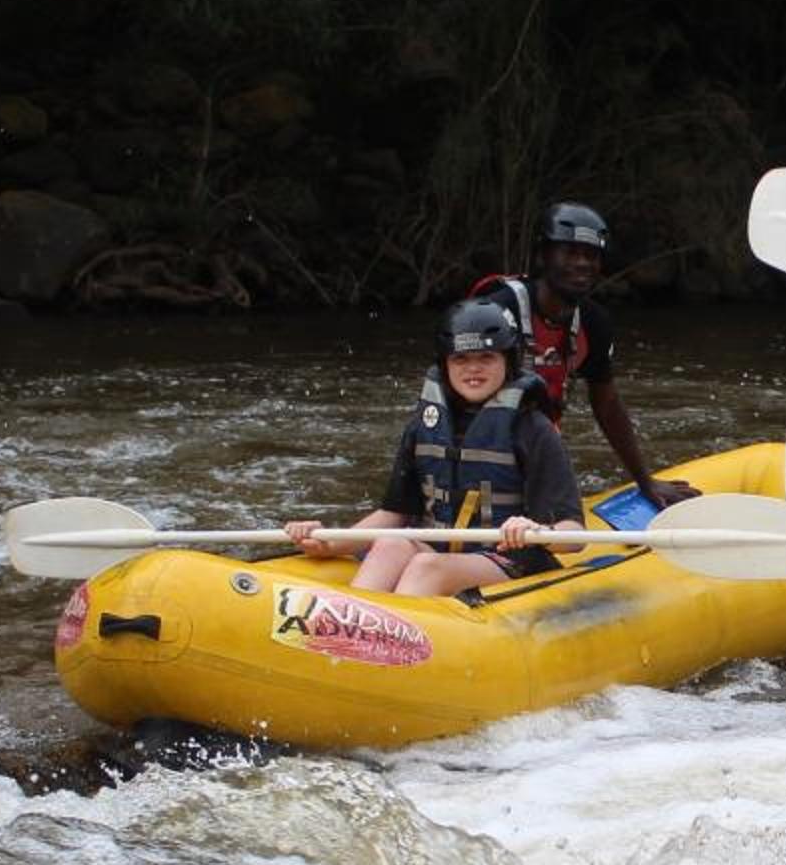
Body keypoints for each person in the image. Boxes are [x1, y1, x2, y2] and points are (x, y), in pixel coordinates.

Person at [280, 301, 582, 597]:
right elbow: (394, 514)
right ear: (445, 363)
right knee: (390, 544)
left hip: (510, 560)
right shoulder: (424, 426)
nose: (473, 369)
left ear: (508, 360)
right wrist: (329, 542)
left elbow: (574, 535)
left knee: (427, 567)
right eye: (460, 359)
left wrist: (534, 529)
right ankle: (342, 634)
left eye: (487, 357)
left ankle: (390, 642)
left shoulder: (534, 429)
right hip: (440, 550)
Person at [471, 201, 699, 509]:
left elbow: (606, 405)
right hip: (480, 448)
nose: (582, 264)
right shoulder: (495, 310)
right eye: (570, 253)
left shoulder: (594, 323)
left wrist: (645, 480)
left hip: (537, 451)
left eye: (590, 256)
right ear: (543, 256)